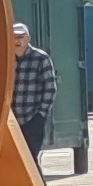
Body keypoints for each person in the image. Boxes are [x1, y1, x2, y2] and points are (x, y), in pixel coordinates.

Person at [7, 18, 59, 164]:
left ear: (28, 38)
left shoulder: (41, 58)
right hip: (12, 121)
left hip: (32, 118)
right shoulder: (6, 59)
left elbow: (50, 87)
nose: (17, 41)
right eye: (14, 37)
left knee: (31, 161)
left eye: (21, 37)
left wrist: (41, 115)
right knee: (14, 162)